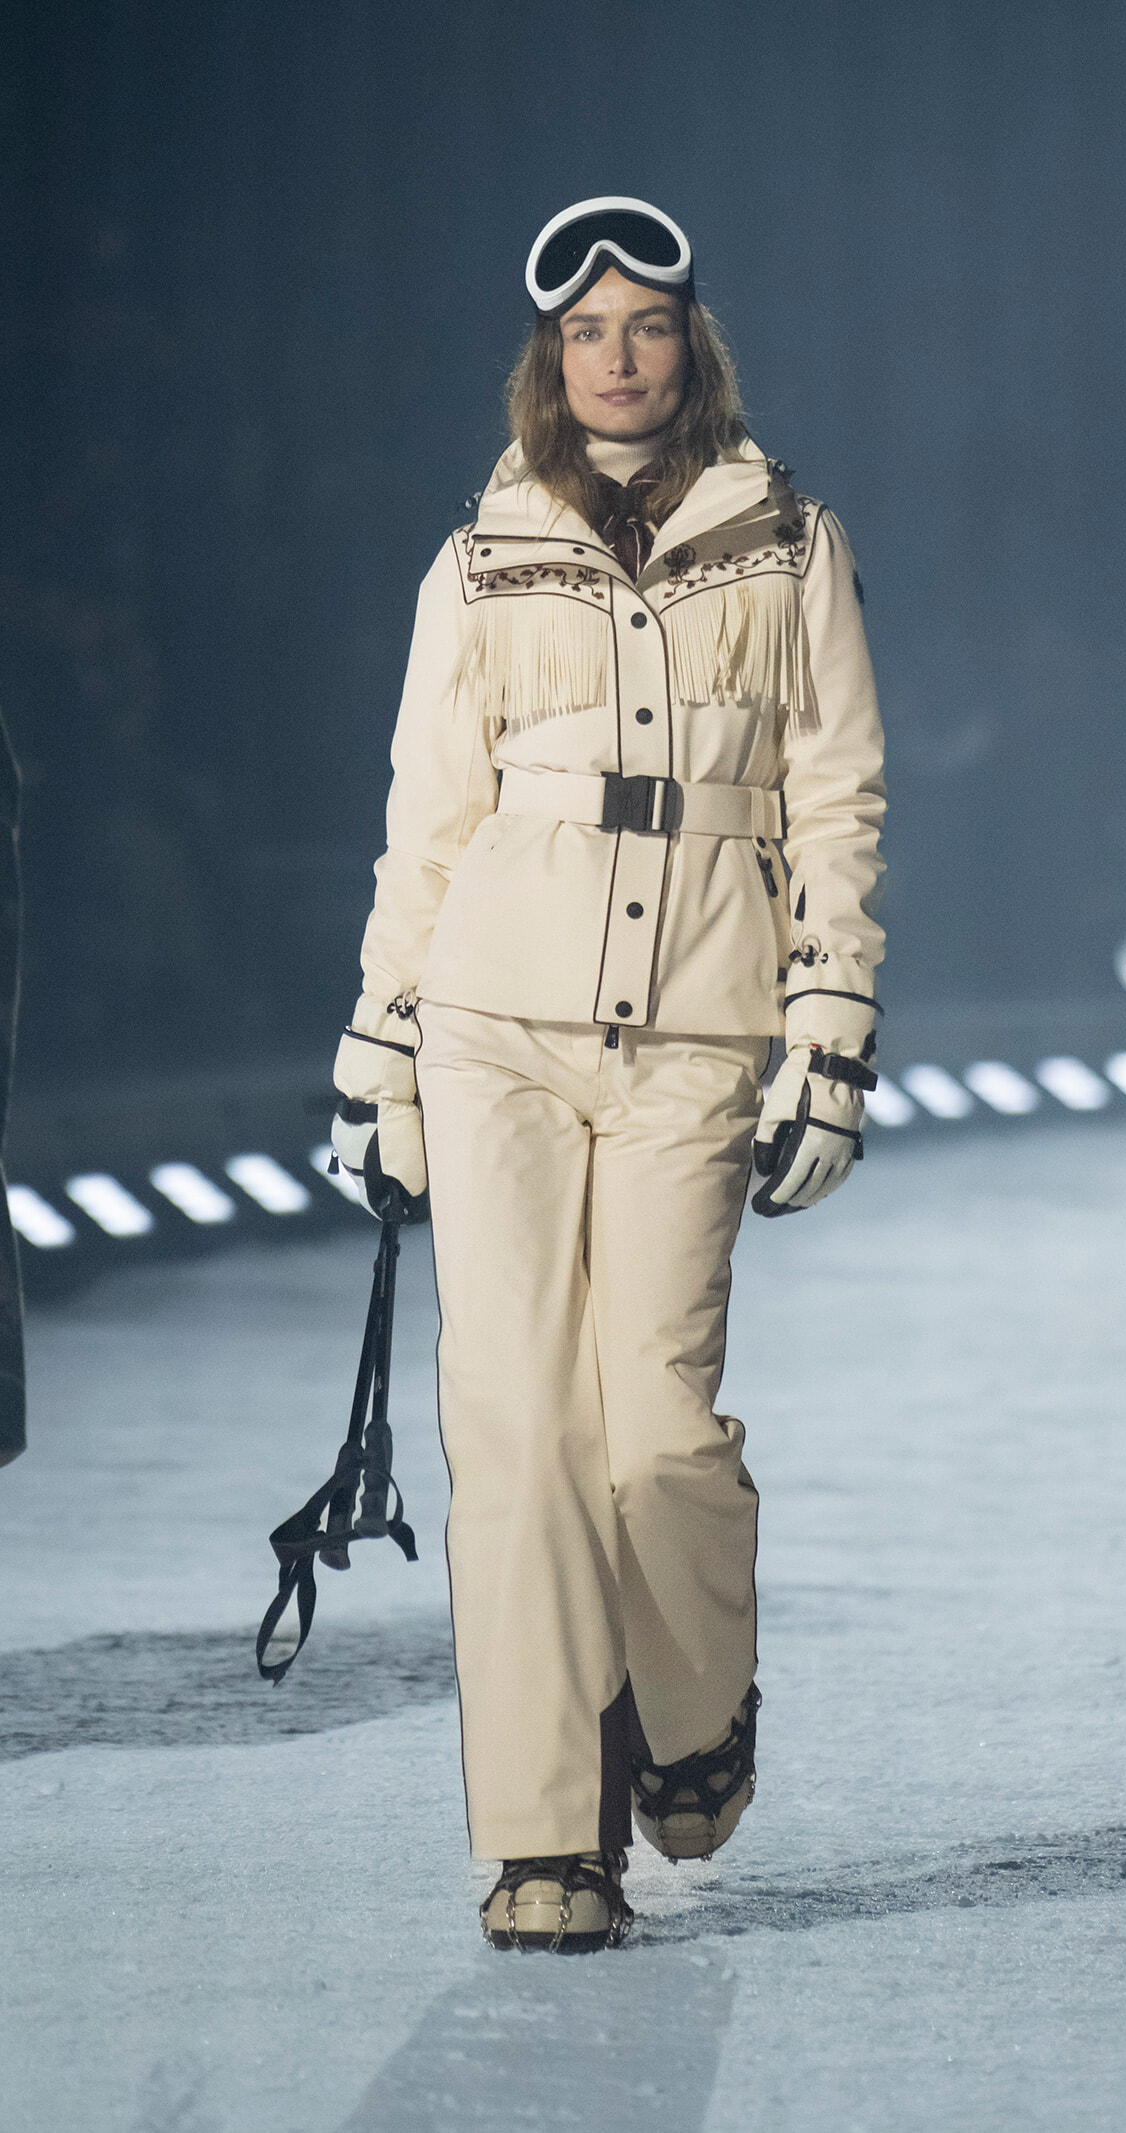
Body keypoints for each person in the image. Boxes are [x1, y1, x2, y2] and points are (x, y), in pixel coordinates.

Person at [331, 198, 886, 1951]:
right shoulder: (476, 559)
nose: (617, 355)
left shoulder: (791, 543)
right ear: (547, 361)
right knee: (514, 1428)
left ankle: (694, 1699)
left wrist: (833, 1032)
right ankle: (543, 1835)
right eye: (586, 332)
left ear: (692, 343)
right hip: (495, 1020)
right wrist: (380, 1059)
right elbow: (426, 824)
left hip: (700, 1030)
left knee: (650, 1438)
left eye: (647, 325)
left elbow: (840, 799)